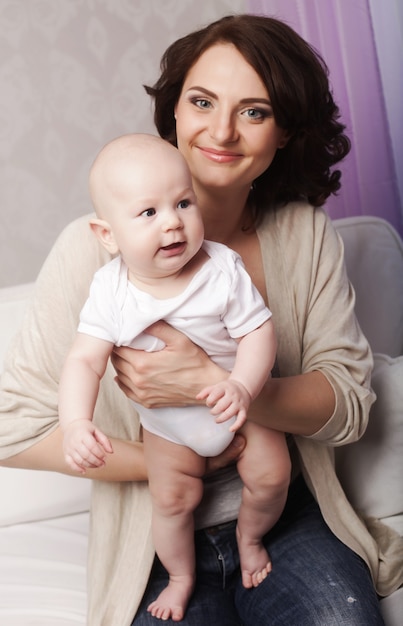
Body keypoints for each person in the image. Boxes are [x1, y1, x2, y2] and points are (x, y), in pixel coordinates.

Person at [1, 13, 402, 626]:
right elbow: (12, 428)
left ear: (285, 132)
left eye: (254, 111)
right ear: (175, 113)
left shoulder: (299, 235)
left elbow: (349, 404)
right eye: (202, 101)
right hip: (153, 532)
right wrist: (177, 459)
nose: (222, 130)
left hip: (288, 515)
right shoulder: (93, 254)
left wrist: (210, 382)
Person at [59, 132, 290, 621]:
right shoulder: (110, 291)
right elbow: (83, 360)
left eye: (183, 203)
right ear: (107, 235)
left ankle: (250, 538)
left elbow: (258, 334)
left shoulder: (221, 268)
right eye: (149, 213)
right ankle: (182, 577)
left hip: (236, 407)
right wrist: (76, 423)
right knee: (170, 500)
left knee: (271, 475)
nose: (173, 223)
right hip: (169, 427)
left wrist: (242, 386)